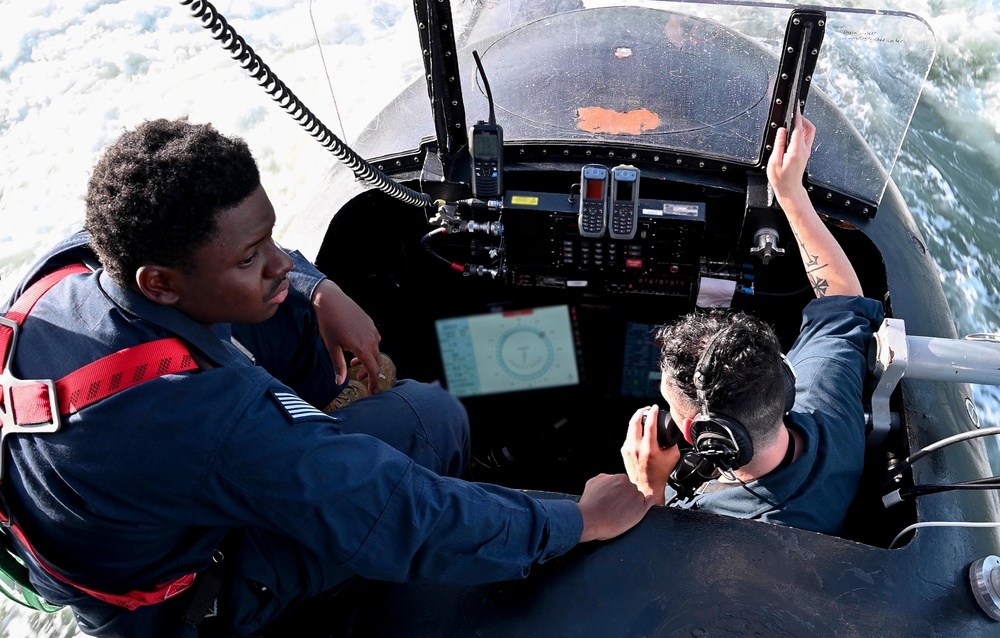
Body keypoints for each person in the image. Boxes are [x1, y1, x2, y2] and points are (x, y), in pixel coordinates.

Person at [0, 118, 654, 637]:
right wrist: (578, 522)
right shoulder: (209, 418)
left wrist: (321, 290)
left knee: (291, 314)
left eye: (272, 239)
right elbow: (402, 517)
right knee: (431, 420)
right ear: (160, 283)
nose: (280, 263)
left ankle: (322, 434)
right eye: (251, 257)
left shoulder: (75, 266)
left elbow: (279, 278)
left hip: (123, 513)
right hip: (179, 603)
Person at [620, 114, 885, 535]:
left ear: (700, 434)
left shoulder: (740, 533)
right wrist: (790, 193)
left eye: (671, 408)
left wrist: (648, 490)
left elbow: (658, 586)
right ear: (782, 376)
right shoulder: (828, 397)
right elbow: (841, 296)